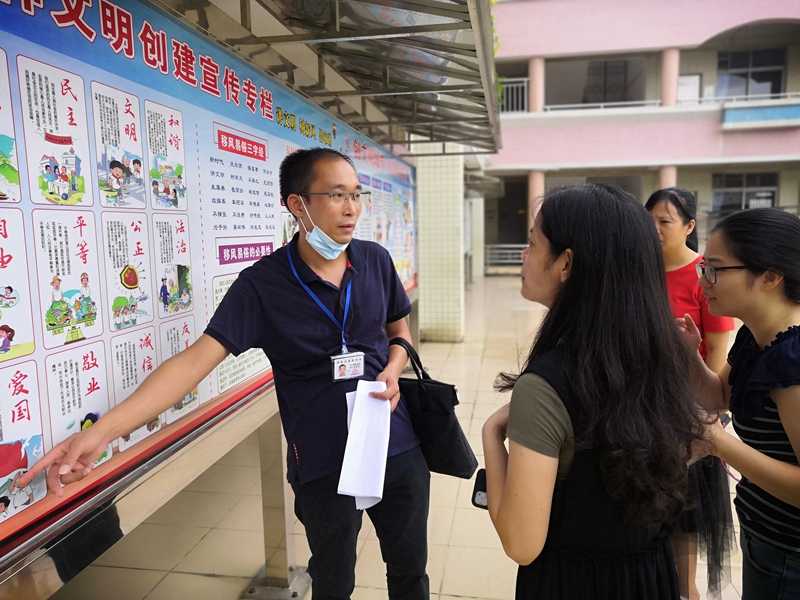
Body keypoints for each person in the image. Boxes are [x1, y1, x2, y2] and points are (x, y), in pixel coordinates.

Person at [19, 148, 429, 600]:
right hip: (323, 460)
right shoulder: (262, 285)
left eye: (356, 195)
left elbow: (399, 333)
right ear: (298, 205)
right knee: (334, 583)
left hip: (394, 440)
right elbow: (193, 364)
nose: (352, 208)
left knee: (410, 572)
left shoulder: (374, 260)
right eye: (336, 195)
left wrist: (393, 368)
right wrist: (99, 433)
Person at [482, 184, 706, 600]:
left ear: (566, 263)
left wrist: (492, 435)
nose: (524, 255)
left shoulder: (546, 386)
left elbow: (521, 543)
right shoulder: (668, 356)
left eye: (533, 244)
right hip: (650, 577)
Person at [679, 207, 800, 600]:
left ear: (770, 276)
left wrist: (718, 443)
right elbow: (719, 397)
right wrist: (690, 355)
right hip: (763, 532)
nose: (702, 281)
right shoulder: (757, 335)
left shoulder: (793, 361)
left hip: (789, 552)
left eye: (714, 269)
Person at [646, 187, 735, 600]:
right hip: (643, 402)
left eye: (664, 221)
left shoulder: (704, 276)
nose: (655, 228)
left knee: (686, 508)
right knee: (649, 498)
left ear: (689, 226)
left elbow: (717, 352)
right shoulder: (640, 269)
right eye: (649, 220)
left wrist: (707, 412)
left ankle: (685, 590)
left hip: (688, 407)